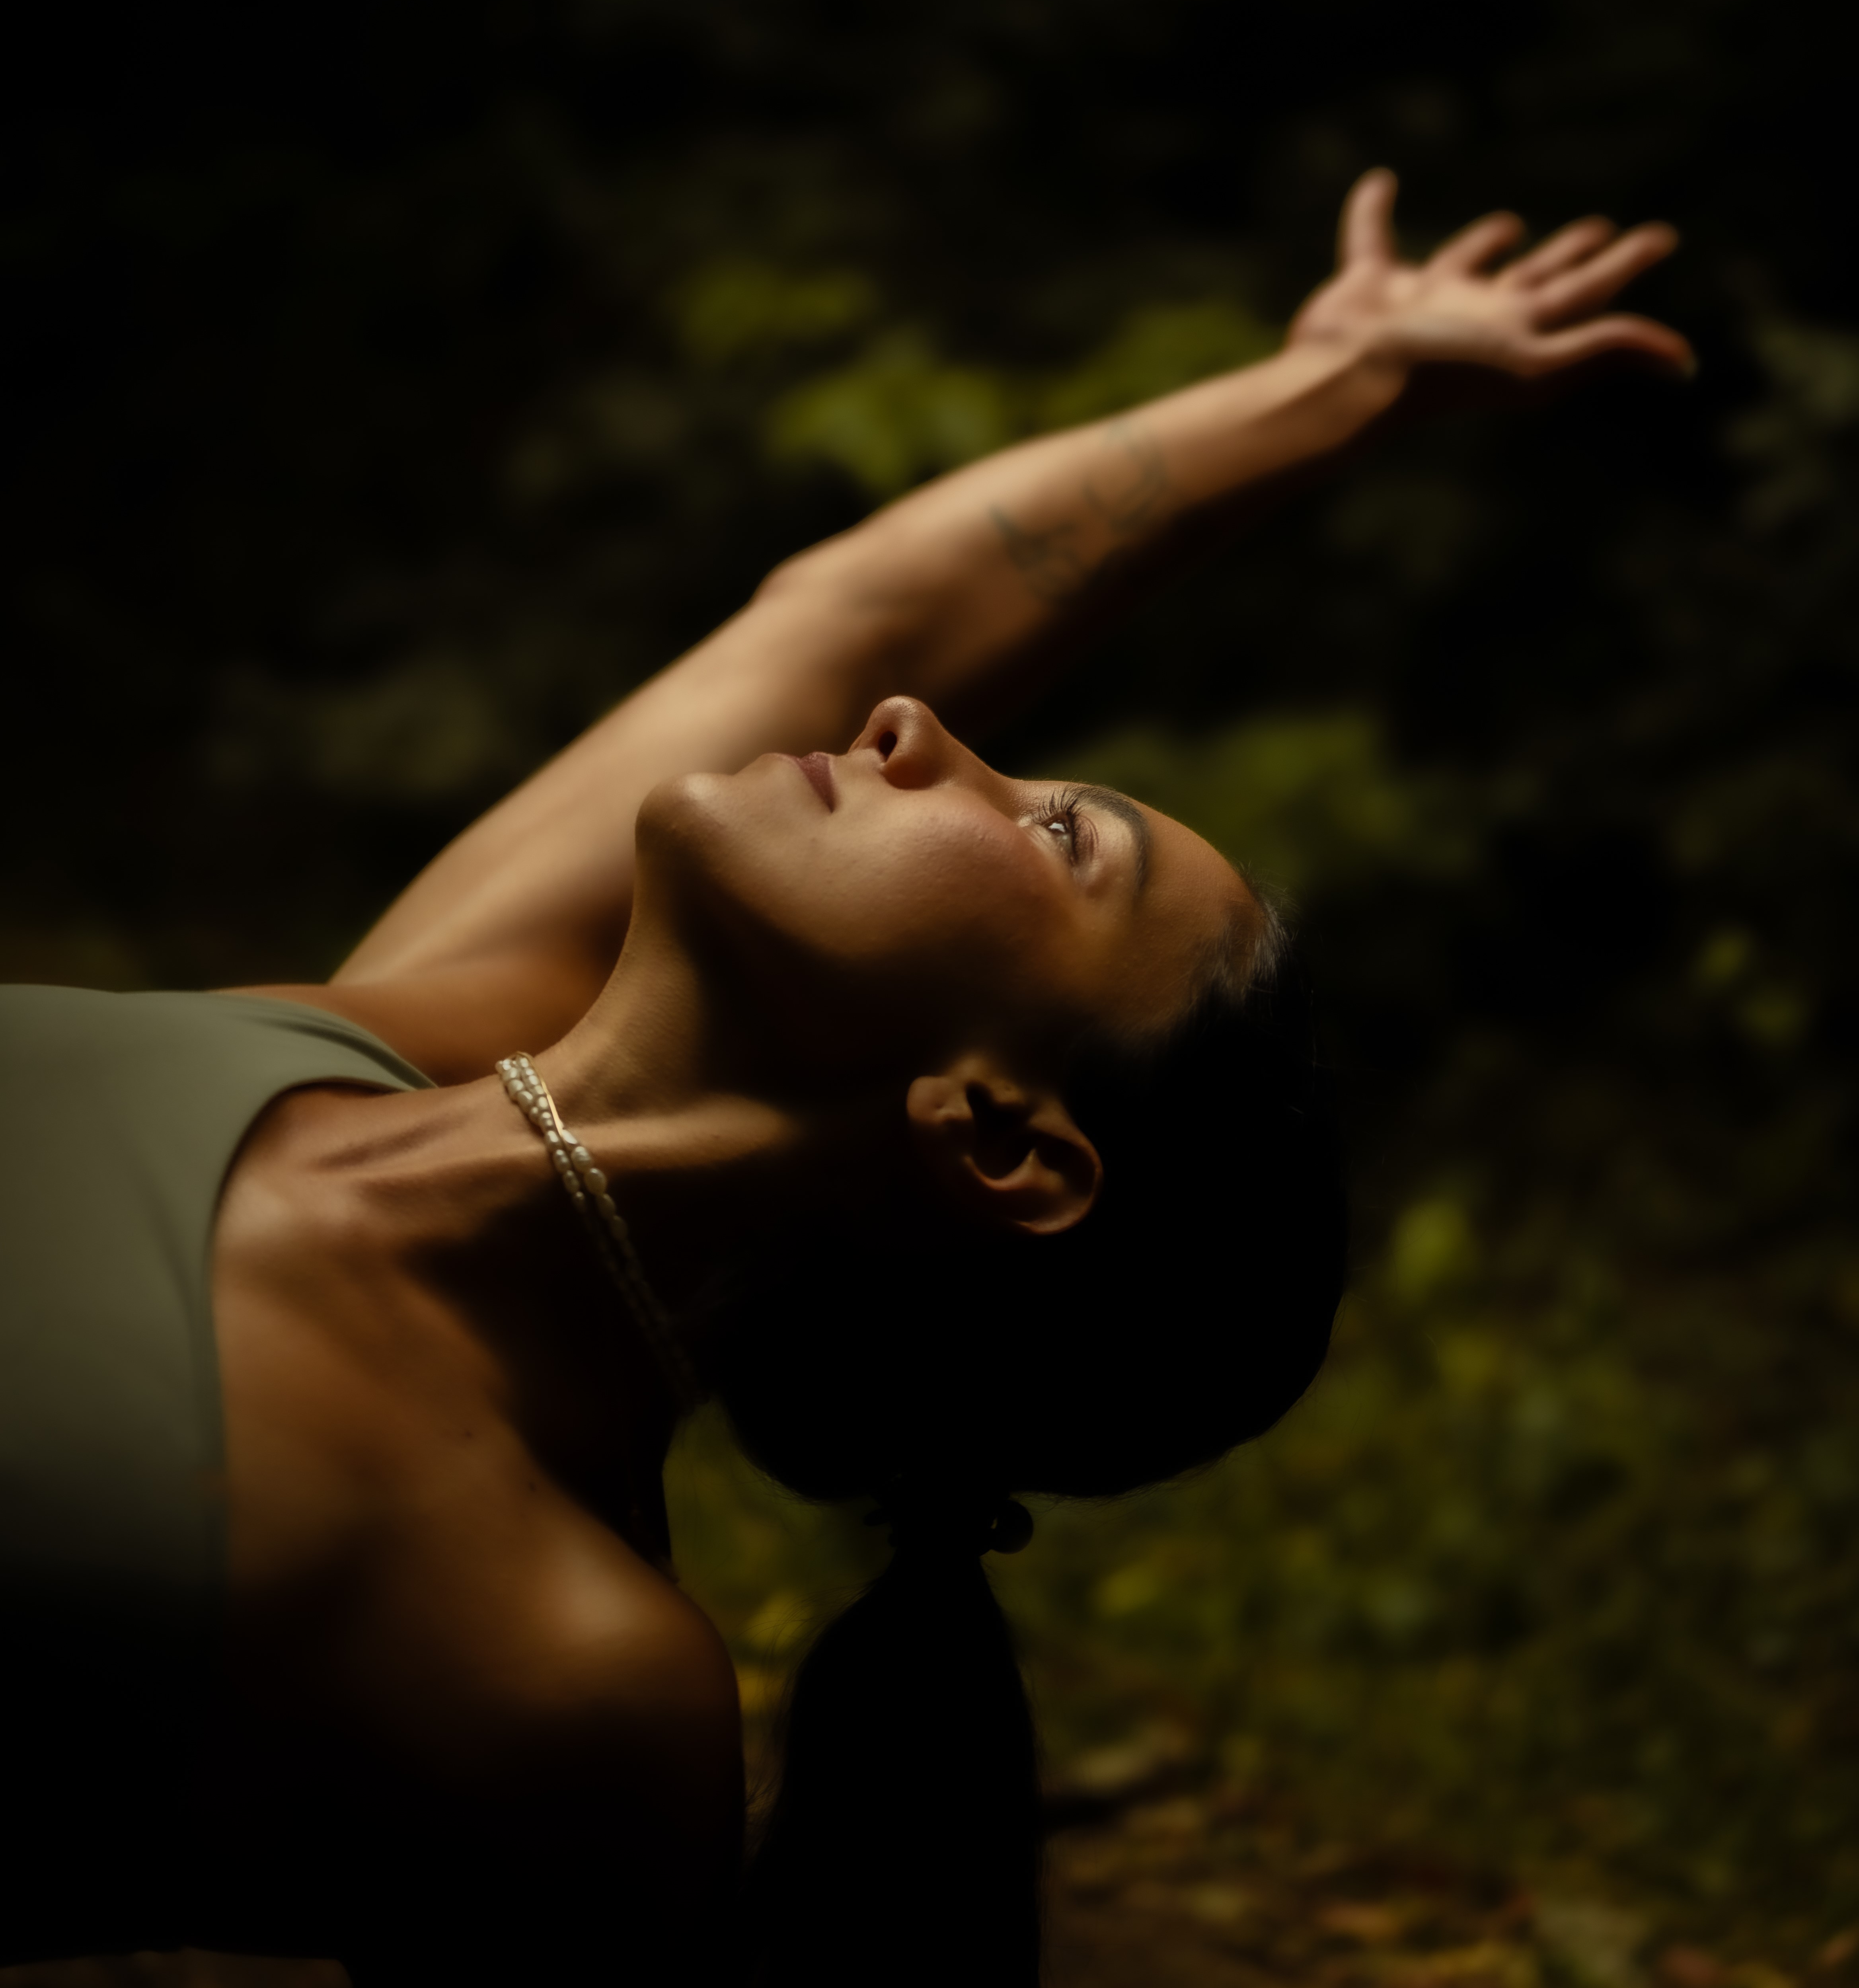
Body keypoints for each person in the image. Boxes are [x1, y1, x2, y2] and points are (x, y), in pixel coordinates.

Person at [0, 172, 1690, 1986]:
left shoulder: (560, 1670)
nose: (915, 734)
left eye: (1051, 836)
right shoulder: (387, 1032)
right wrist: (1343, 378)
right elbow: (863, 608)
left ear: (998, 1135)